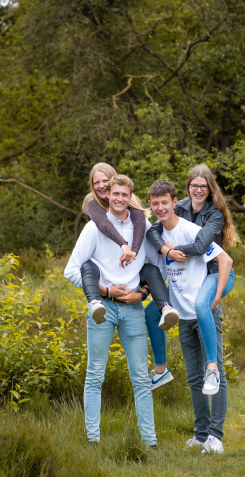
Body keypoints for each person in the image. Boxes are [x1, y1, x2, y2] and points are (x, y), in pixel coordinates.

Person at [64, 174, 159, 447]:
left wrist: (142, 293)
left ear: (130, 197)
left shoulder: (143, 226)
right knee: (95, 374)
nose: (119, 199)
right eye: (114, 194)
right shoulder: (94, 228)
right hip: (102, 308)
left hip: (133, 309)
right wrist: (105, 291)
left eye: (124, 195)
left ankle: (150, 442)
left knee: (141, 377)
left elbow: (155, 267)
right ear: (108, 195)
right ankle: (93, 440)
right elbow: (70, 270)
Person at [147, 179, 234, 454]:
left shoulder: (190, 231)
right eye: (155, 203)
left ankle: (215, 437)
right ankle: (200, 435)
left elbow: (225, 261)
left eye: (165, 202)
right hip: (182, 313)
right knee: (194, 378)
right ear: (150, 206)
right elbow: (159, 273)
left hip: (204, 309)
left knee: (214, 372)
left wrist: (216, 297)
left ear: (176, 203)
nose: (161, 208)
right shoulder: (157, 237)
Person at [79, 164, 180, 391]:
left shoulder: (133, 209)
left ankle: (166, 314)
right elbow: (104, 224)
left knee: (152, 279)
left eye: (106, 180)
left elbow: (145, 229)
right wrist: (105, 290)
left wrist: (143, 292)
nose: (102, 185)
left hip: (134, 280)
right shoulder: (93, 205)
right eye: (97, 182)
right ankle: (94, 300)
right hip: (104, 281)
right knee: (88, 266)